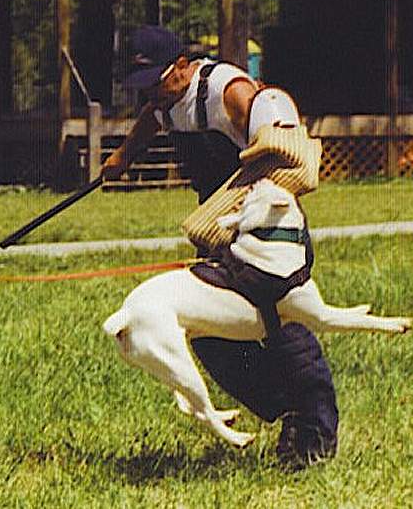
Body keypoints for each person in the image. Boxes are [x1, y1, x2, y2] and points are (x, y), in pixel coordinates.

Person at [102, 25, 338, 468]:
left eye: (156, 83)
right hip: (217, 226)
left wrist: (252, 220)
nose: (150, 95)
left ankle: (315, 435)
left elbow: (281, 150)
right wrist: (122, 159)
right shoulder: (165, 101)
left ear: (184, 67)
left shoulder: (228, 92)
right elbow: (154, 119)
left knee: (279, 320)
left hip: (263, 220)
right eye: (143, 87)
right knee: (210, 332)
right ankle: (284, 409)